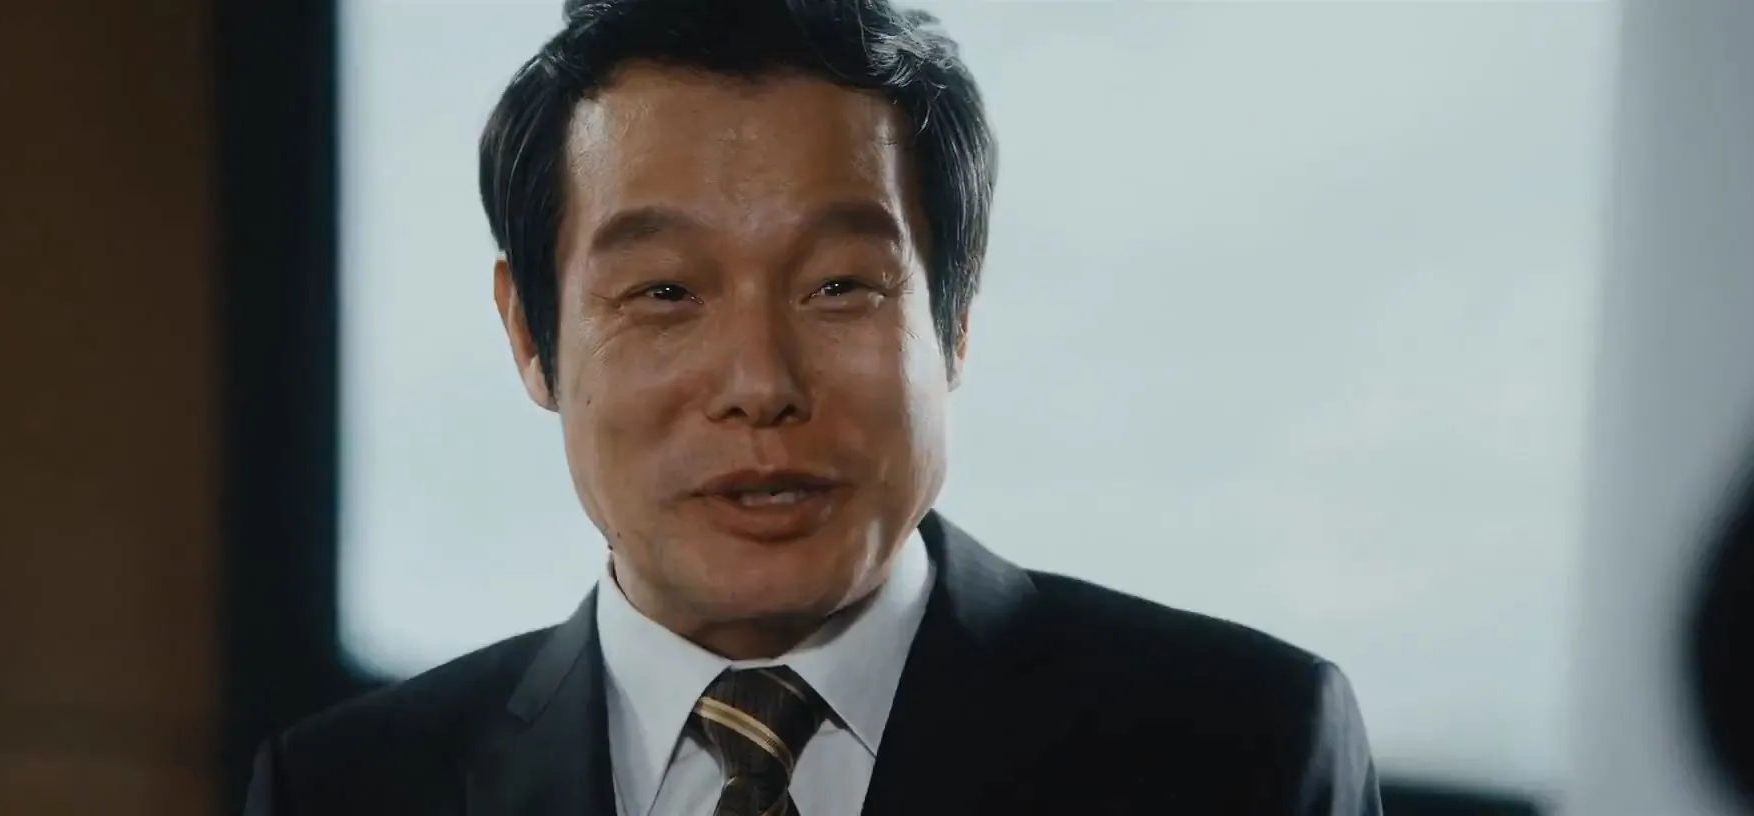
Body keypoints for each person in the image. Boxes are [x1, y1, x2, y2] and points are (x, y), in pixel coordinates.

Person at [243, 1, 1382, 813]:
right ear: (529, 336)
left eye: (840, 286)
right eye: (664, 293)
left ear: (956, 320)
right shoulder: (345, 789)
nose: (760, 385)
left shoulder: (1246, 753)